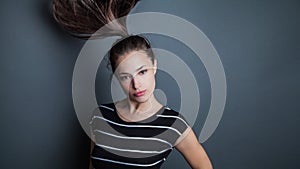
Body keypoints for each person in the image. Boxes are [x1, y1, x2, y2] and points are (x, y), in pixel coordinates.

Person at [53, 0, 213, 169]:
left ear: (154, 65)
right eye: (125, 76)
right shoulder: (100, 116)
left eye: (142, 72)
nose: (136, 84)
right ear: (117, 77)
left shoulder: (173, 124)